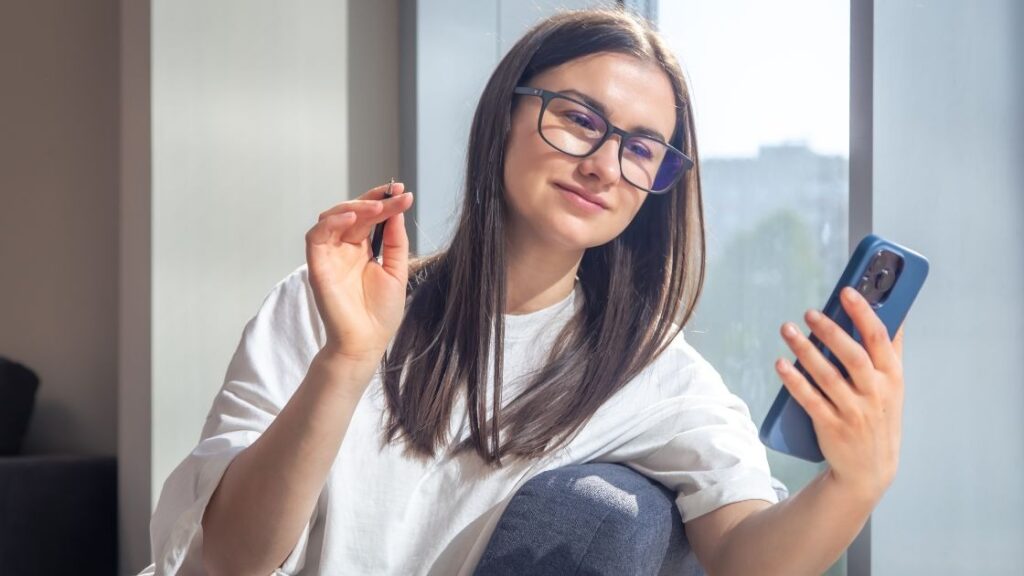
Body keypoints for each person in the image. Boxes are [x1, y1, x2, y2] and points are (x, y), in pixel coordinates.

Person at [142, 8, 906, 576]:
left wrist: (856, 482)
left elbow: (745, 558)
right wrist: (346, 360)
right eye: (579, 120)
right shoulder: (325, 305)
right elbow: (231, 558)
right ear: (504, 114)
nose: (606, 165)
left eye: (643, 149)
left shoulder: (651, 374)